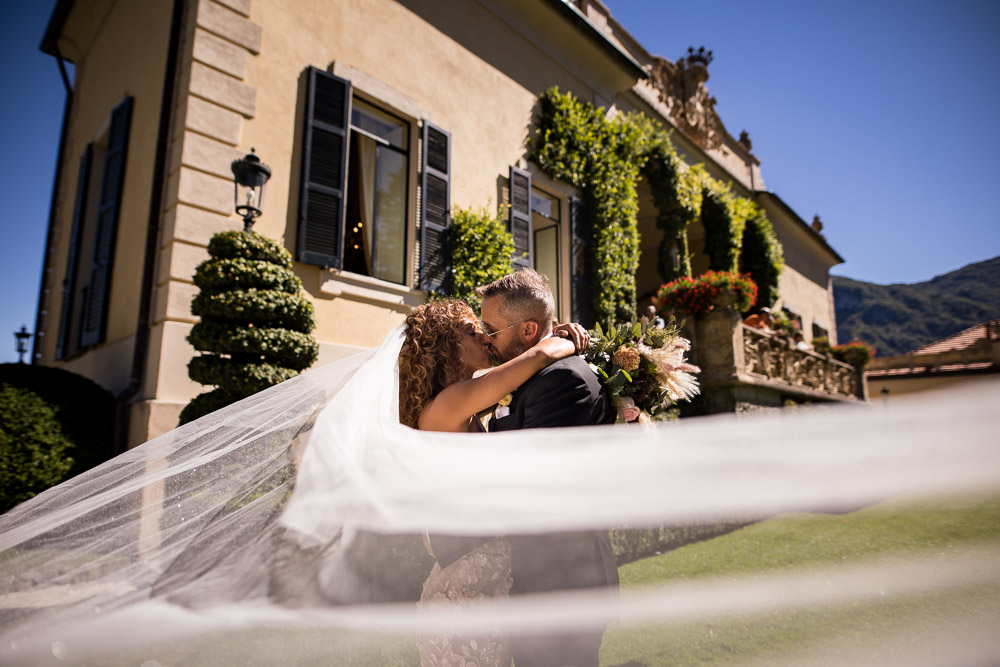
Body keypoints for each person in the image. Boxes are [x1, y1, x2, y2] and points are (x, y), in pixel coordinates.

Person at [397, 297, 590, 666]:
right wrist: (575, 339)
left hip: (483, 583)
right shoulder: (449, 404)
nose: (486, 339)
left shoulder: (464, 400)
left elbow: (516, 372)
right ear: (446, 346)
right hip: (464, 593)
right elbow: (538, 357)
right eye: (473, 332)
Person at [474, 269, 620, 667]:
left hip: (563, 584)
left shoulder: (563, 381)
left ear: (529, 330)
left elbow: (533, 484)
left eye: (491, 328)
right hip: (543, 578)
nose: (485, 338)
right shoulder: (532, 374)